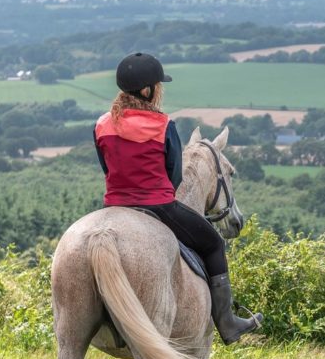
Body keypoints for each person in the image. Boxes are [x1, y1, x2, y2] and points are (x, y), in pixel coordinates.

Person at [93, 52, 262, 344]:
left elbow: (106, 165)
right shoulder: (163, 125)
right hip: (158, 204)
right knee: (212, 243)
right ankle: (228, 323)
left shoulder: (102, 124)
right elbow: (174, 175)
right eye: (158, 85)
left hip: (115, 205)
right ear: (147, 90)